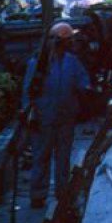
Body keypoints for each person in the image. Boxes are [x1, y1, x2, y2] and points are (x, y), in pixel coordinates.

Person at [22, 22, 91, 208]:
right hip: (44, 118)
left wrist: (87, 91)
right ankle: (38, 194)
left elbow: (83, 81)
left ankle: (63, 193)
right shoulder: (37, 64)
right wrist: (30, 113)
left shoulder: (71, 62)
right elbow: (28, 92)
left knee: (63, 158)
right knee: (41, 157)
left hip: (65, 117)